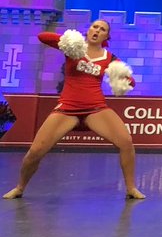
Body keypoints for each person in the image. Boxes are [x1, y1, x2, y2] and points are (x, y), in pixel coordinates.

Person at [4, 21, 144, 200]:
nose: (97, 31)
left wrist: (122, 77)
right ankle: (20, 187)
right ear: (88, 30)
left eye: (102, 29)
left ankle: (131, 188)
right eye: (95, 27)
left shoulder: (109, 58)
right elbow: (42, 37)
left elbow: (131, 82)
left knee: (126, 142)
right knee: (36, 151)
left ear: (106, 37)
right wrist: (69, 40)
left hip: (96, 108)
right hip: (67, 108)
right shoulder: (74, 48)